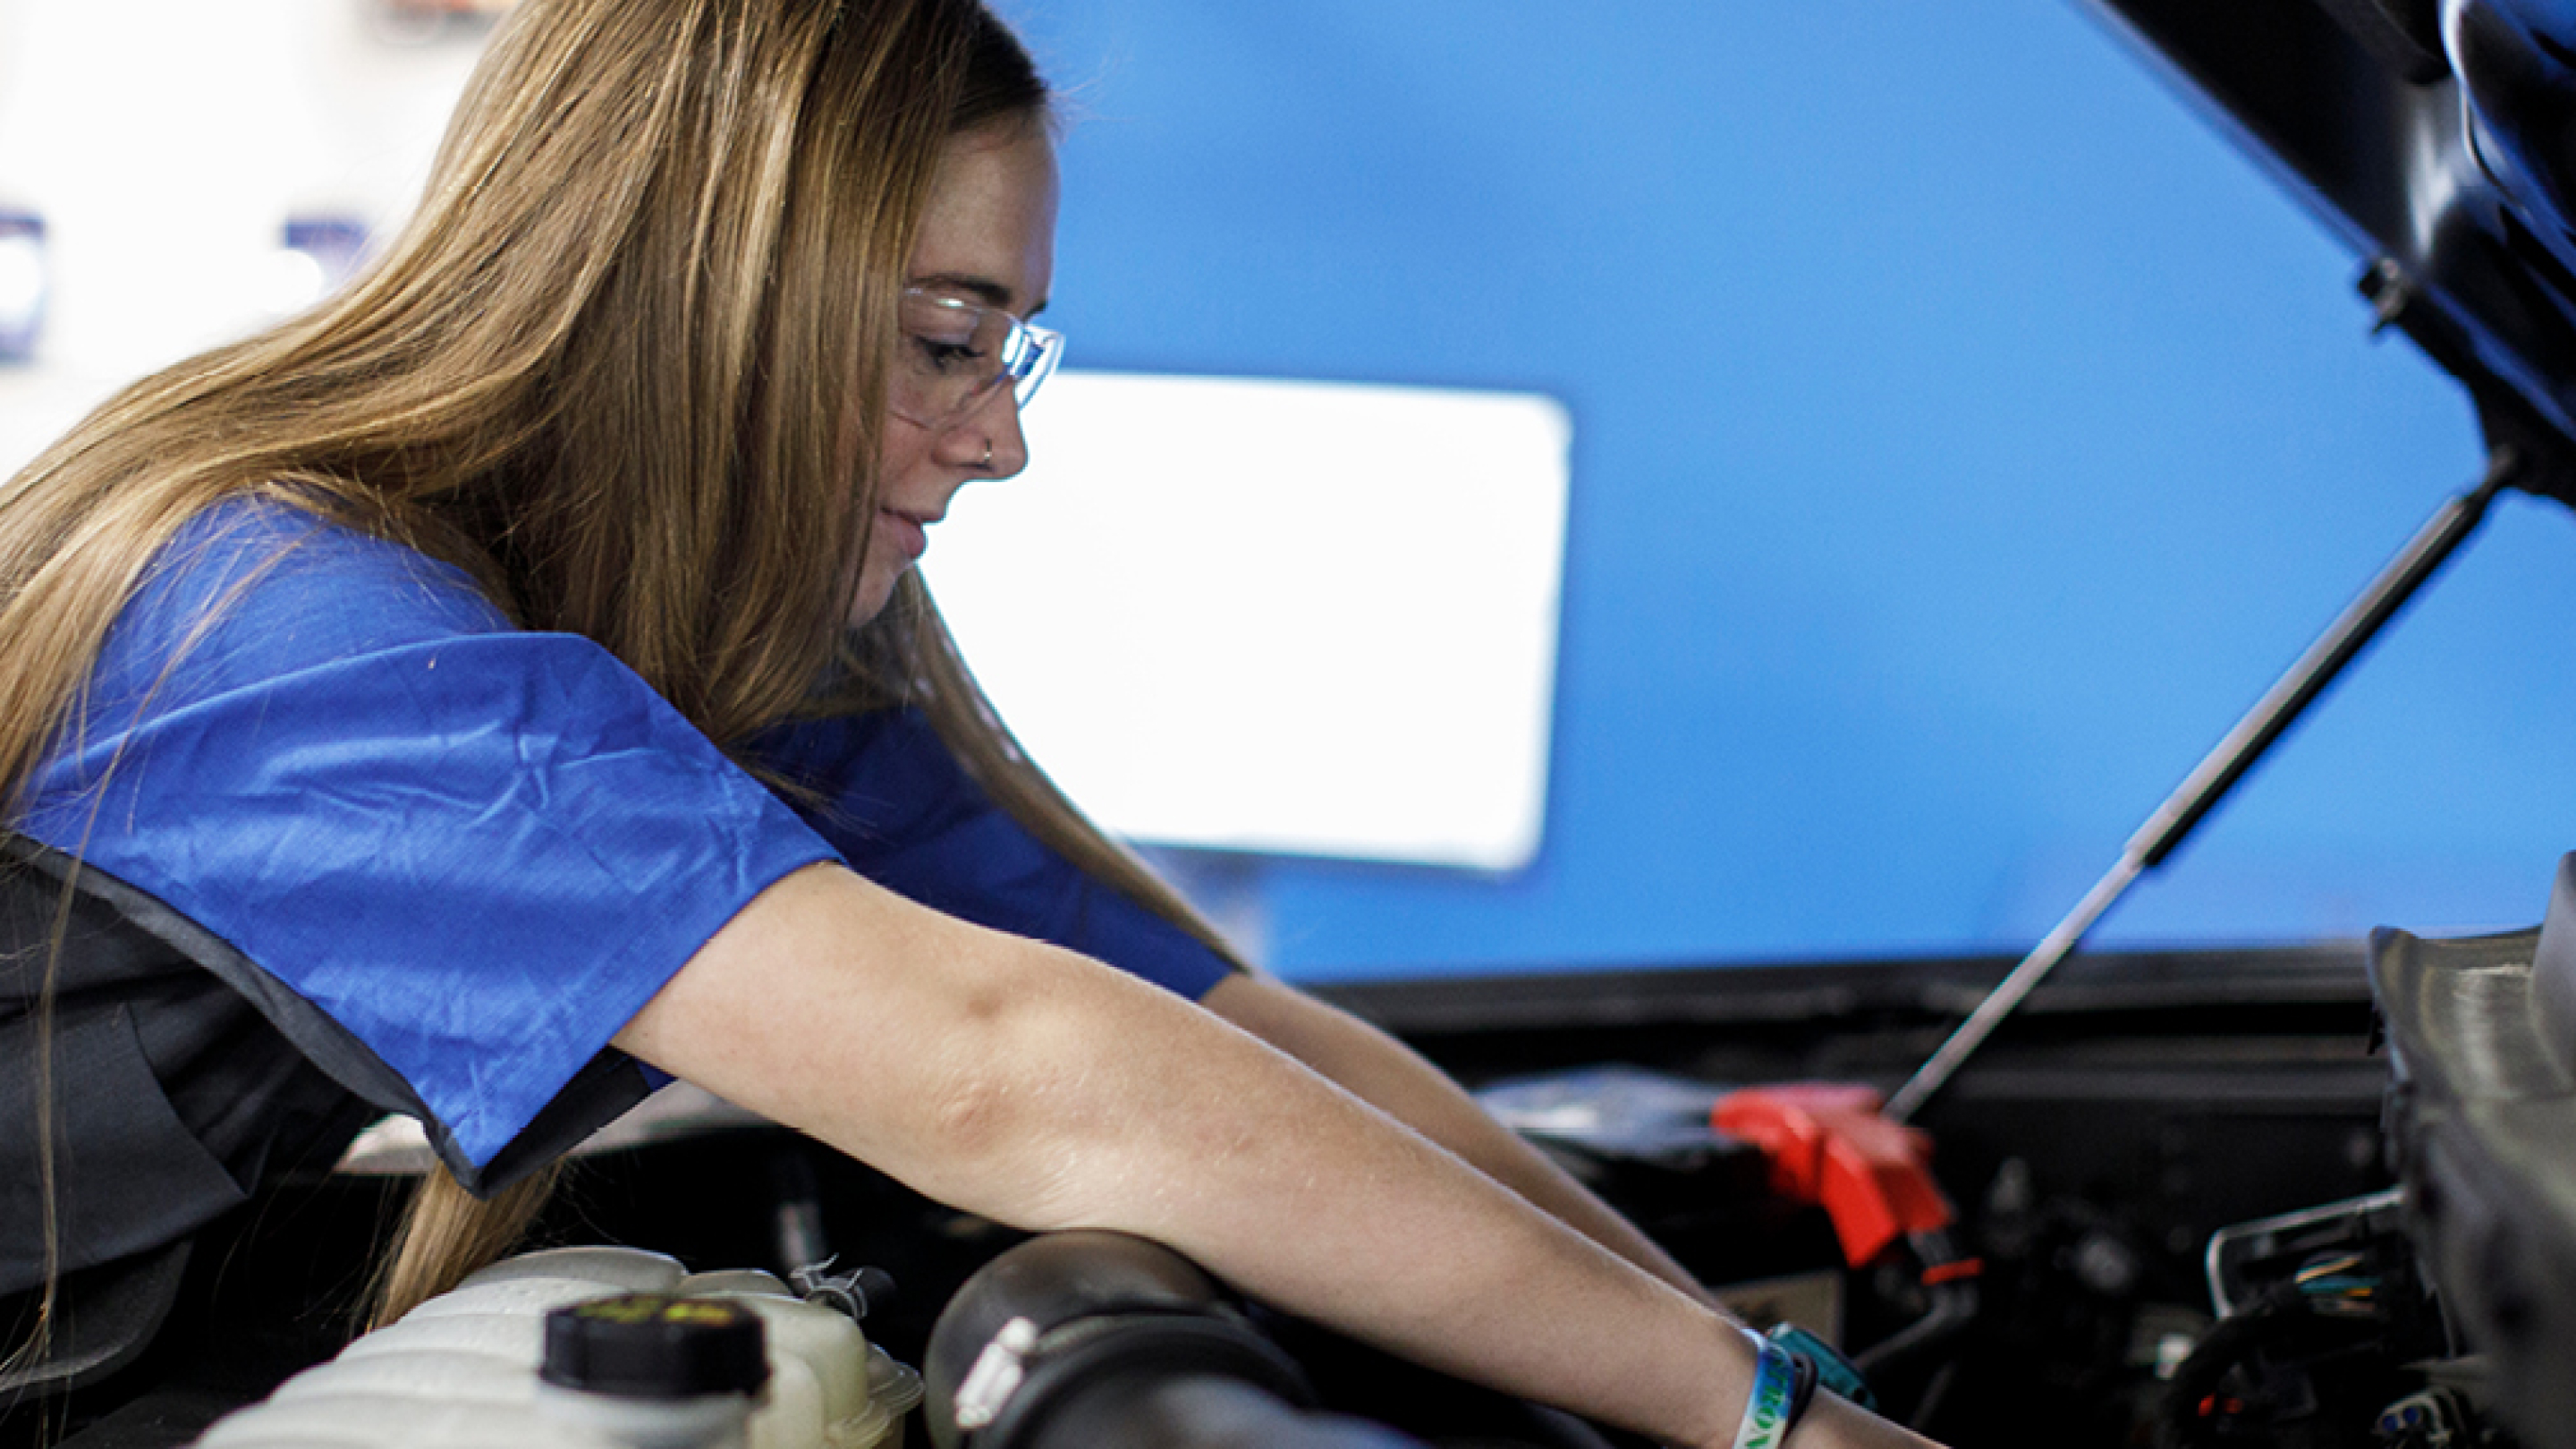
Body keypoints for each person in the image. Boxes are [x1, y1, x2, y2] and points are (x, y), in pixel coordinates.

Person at [0, 2, 1942, 1445]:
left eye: (1009, 352)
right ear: (701, 301)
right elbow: (999, 1061)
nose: (999, 439)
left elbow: (1221, 1038)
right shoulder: (283, 626)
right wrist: (1753, 1423)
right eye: (945, 343)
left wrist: (1756, 1380)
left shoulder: (701, 655)